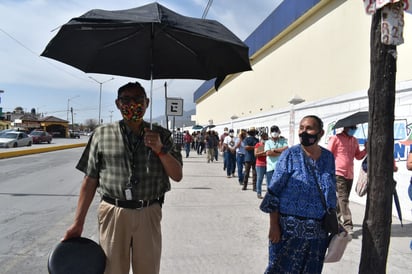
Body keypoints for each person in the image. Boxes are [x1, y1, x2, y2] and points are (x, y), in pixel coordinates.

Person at [62, 82, 183, 274]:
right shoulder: (101, 134)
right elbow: (90, 180)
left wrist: (161, 150)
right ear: (118, 104)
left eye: (138, 99)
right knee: (112, 270)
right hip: (113, 213)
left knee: (148, 269)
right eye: (126, 99)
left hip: (148, 212)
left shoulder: (162, 135)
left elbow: (177, 175)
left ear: (147, 103)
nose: (132, 104)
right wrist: (78, 222)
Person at [260, 115, 336, 274]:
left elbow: (330, 190)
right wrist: (274, 225)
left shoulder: (328, 157)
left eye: (309, 128)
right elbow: (274, 191)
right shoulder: (290, 155)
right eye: (301, 128)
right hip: (288, 232)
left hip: (317, 235)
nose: (304, 132)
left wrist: (333, 217)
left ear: (320, 133)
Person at [327, 125, 367, 233]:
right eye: (352, 127)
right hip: (338, 172)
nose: (354, 130)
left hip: (349, 174)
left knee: (342, 199)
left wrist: (366, 149)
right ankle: (348, 224)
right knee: (343, 199)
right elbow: (328, 154)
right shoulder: (336, 138)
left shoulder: (354, 140)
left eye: (355, 128)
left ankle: (335, 220)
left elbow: (358, 156)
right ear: (346, 127)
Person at [255, 132, 268, 199]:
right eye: (264, 138)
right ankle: (259, 193)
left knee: (268, 180)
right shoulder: (258, 144)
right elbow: (256, 154)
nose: (265, 139)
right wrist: (263, 153)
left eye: (266, 138)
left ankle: (268, 194)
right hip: (260, 164)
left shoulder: (268, 144)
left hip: (268, 164)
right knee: (260, 179)